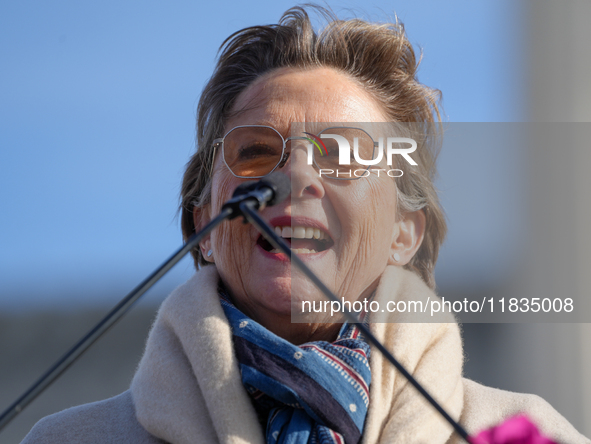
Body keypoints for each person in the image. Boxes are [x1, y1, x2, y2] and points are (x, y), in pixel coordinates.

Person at [21, 6, 589, 444]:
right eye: (257, 150)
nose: (296, 176)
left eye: (342, 154)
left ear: (403, 233)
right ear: (206, 222)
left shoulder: (528, 432)